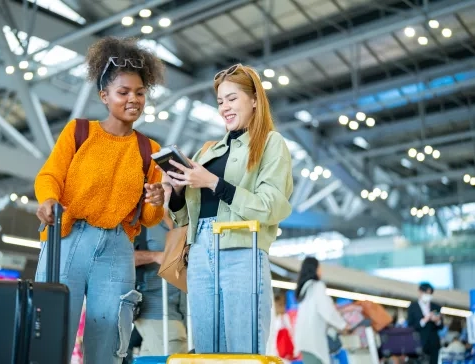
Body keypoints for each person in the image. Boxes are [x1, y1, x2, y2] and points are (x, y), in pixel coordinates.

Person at [34, 36, 166, 363]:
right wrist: (49, 199)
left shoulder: (150, 150)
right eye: (123, 93)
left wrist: (156, 198)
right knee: (53, 329)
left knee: (109, 338)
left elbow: (149, 218)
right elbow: (49, 175)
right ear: (104, 96)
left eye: (139, 93)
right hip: (68, 237)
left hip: (118, 248)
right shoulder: (79, 132)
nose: (133, 99)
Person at [165, 63, 294, 353]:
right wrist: (175, 191)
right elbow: (186, 216)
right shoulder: (207, 151)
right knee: (206, 349)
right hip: (199, 252)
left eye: (232, 98)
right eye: (220, 101)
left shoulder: (271, 144)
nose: (225, 107)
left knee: (243, 347)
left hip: (242, 248)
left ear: (254, 100)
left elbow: (271, 206)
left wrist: (212, 182)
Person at [134, 184, 188, 355]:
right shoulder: (141, 222)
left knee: (151, 358)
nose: (168, 191)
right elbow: (118, 258)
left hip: (181, 310)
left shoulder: (183, 221)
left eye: (173, 186)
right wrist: (155, 256)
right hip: (154, 308)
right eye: (165, 185)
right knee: (176, 354)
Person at [293, 257, 349, 364]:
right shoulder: (317, 286)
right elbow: (327, 311)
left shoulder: (305, 288)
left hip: (305, 342)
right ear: (314, 269)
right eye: (319, 267)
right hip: (314, 343)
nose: (321, 271)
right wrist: (343, 325)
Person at [407, 282, 443, 364]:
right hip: (418, 343)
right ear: (420, 291)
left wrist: (437, 321)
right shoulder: (412, 307)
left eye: (430, 293)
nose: (428, 295)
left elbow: (441, 326)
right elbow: (410, 326)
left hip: (433, 344)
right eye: (426, 293)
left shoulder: (436, 307)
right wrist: (424, 320)